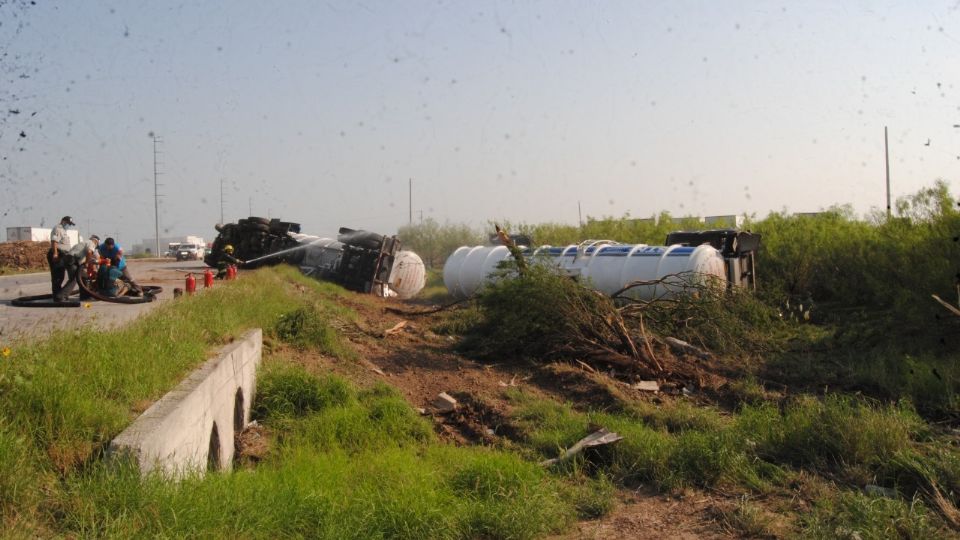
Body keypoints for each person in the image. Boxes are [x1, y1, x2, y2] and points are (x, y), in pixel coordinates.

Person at [47, 216, 76, 302]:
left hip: (63, 255)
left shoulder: (63, 231)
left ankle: (60, 295)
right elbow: (54, 242)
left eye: (70, 224)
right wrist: (55, 253)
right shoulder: (58, 229)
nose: (68, 225)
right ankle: (58, 297)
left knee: (61, 276)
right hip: (58, 254)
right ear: (63, 221)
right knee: (57, 276)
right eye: (68, 223)